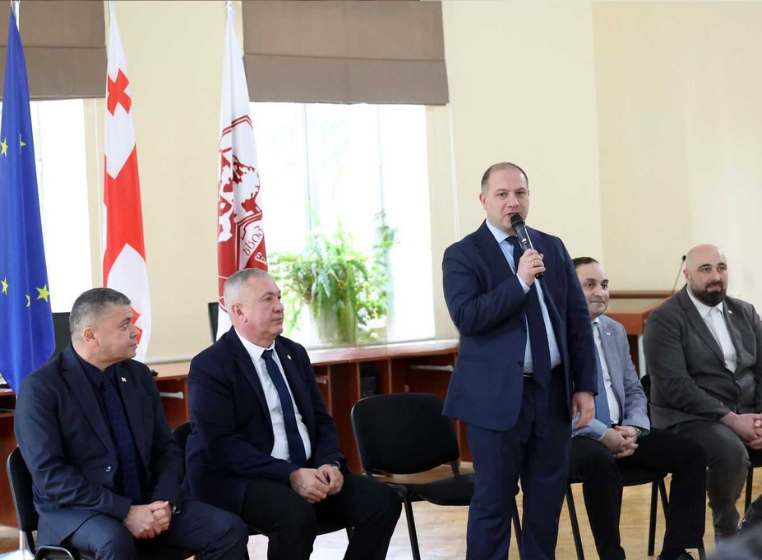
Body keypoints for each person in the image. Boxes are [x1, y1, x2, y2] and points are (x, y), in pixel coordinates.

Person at [14, 288, 248, 560]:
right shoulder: (41, 388)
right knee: (114, 540)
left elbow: (166, 449)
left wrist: (165, 502)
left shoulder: (137, 375)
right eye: (125, 325)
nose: (136, 332)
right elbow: (51, 476)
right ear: (91, 336)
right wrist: (124, 511)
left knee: (227, 529)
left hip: (146, 502)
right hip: (77, 511)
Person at [186, 268, 402, 560]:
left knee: (383, 501)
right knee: (294, 515)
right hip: (238, 479)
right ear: (238, 311)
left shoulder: (293, 353)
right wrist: (289, 474)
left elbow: (320, 420)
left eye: (279, 297)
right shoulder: (211, 365)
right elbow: (222, 446)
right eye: (267, 299)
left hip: (305, 470)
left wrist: (329, 463)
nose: (279, 306)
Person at [442, 162, 598, 560]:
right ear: (483, 200)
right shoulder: (462, 254)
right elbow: (468, 317)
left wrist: (584, 386)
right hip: (495, 399)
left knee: (546, 500)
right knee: (494, 501)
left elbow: (577, 320)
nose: (513, 202)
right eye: (502, 194)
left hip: (552, 391)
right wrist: (519, 282)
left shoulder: (552, 246)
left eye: (520, 193)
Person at [644, 244, 762, 540]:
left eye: (721, 268)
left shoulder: (744, 311)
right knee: (730, 451)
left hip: (750, 412)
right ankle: (727, 534)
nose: (715, 276)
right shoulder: (664, 319)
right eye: (705, 269)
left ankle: (755, 528)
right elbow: (675, 386)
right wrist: (731, 419)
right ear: (687, 275)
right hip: (691, 418)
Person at [570, 257, 706, 560]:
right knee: (599, 462)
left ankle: (676, 552)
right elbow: (558, 404)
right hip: (576, 435)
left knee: (692, 453)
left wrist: (634, 428)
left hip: (621, 430)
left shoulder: (614, 330)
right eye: (590, 285)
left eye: (604, 285)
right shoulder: (556, 334)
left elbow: (633, 388)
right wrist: (602, 434)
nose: (600, 292)